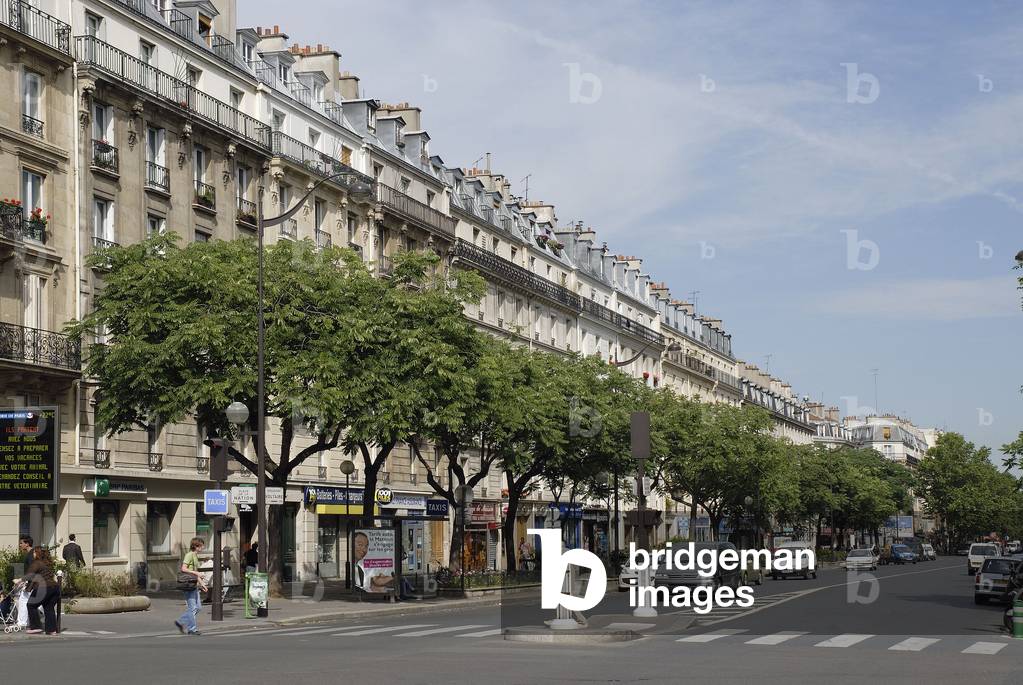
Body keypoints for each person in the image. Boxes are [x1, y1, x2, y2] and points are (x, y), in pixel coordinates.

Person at [21, 546, 60, 635]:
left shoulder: (37, 563)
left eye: (34, 552)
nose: (33, 554)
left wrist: (19, 580)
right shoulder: (47, 563)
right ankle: (51, 629)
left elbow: (29, 574)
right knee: (48, 607)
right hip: (54, 588)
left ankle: (36, 627)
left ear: (37, 554)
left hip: (43, 587)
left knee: (31, 605)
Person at [175, 537, 207, 636]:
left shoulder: (195, 556)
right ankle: (192, 629)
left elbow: (195, 574)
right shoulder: (189, 555)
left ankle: (180, 621)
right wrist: (195, 572)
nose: (203, 547)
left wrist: (202, 584)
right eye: (201, 545)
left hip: (194, 584)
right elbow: (183, 568)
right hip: (188, 585)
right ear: (196, 546)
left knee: (198, 608)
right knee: (193, 608)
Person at [16, 536, 33, 629]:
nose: (20, 545)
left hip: (31, 581)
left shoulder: (30, 555)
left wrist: (23, 580)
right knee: (27, 600)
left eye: (21, 543)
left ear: (27, 544)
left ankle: (22, 622)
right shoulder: (31, 554)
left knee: (23, 600)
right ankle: (26, 621)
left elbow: (31, 570)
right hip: (32, 580)